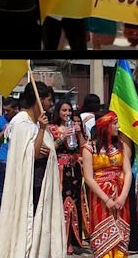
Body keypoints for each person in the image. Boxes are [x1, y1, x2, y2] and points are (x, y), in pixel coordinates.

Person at [0, 81, 66, 258]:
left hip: (41, 182)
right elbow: (32, 154)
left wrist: (49, 147)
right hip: (29, 184)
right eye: (48, 100)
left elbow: (43, 151)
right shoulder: (21, 123)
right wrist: (41, 131)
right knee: (29, 225)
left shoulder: (37, 122)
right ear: (39, 100)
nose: (50, 104)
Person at [82, 112, 133, 258]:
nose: (118, 126)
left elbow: (128, 173)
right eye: (115, 123)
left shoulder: (121, 146)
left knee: (121, 237)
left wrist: (123, 197)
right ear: (105, 125)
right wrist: (107, 200)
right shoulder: (89, 148)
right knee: (104, 238)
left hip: (120, 196)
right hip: (100, 198)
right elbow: (88, 178)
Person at [49, 101, 86, 254]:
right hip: (59, 170)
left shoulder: (75, 127)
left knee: (74, 204)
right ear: (58, 111)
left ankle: (72, 239)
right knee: (60, 204)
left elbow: (84, 148)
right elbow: (50, 147)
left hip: (74, 169)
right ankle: (60, 240)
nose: (67, 113)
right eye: (64, 110)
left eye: (69, 110)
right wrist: (62, 137)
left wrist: (78, 133)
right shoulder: (52, 128)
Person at [0, 97, 19, 221]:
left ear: (15, 109)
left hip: (18, 157)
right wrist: (4, 131)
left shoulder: (20, 120)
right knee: (2, 187)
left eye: (8, 110)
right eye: (4, 110)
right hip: (4, 158)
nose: (6, 113)